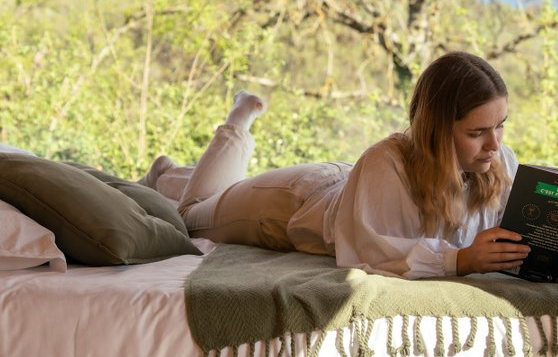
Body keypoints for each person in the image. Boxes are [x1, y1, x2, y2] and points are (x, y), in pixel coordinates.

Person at [144, 51, 530, 279]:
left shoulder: (497, 160)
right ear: (437, 129)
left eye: (500, 126)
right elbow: (371, 253)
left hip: (351, 185)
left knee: (205, 198)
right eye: (478, 132)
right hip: (293, 204)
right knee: (192, 214)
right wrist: (460, 260)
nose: (495, 144)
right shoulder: (388, 162)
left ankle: (173, 174)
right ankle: (232, 126)